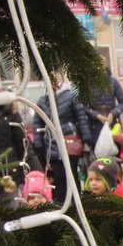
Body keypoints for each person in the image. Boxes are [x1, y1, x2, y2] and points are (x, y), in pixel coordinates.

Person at [32, 70, 93, 204]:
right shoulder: (43, 101)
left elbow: (81, 118)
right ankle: (61, 204)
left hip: (70, 142)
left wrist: (87, 139)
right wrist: (38, 145)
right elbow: (37, 123)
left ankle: (76, 203)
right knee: (58, 176)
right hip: (52, 144)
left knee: (71, 174)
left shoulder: (71, 97)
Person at [84, 54, 123, 150]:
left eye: (100, 65)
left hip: (112, 123)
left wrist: (113, 113)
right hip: (94, 126)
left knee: (115, 154)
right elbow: (82, 106)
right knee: (99, 157)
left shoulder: (113, 81)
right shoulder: (87, 83)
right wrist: (96, 115)